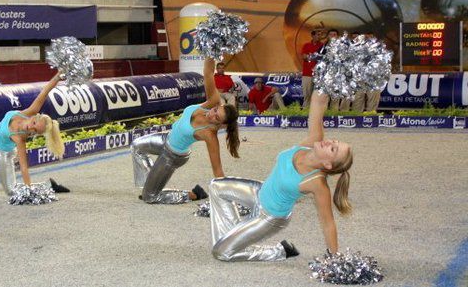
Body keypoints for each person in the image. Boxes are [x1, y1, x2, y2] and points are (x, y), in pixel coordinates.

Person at [209, 91, 353, 262]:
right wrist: (324, 85)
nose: (330, 142)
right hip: (258, 192)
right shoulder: (311, 142)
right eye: (334, 142)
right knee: (215, 186)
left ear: (328, 165)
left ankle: (279, 251)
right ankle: (234, 235)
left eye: (333, 149)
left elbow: (328, 223)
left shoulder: (316, 182)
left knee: (221, 253)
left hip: (269, 217)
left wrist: (335, 258)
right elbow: (318, 103)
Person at [131, 57, 240, 205]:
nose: (212, 114)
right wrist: (212, 51)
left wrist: (227, 196)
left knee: (150, 198)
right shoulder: (212, 101)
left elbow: (218, 170)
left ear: (222, 125)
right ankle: (151, 183)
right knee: (136, 146)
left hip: (173, 156)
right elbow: (208, 73)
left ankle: (193, 194)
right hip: (165, 139)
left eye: (217, 118)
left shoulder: (209, 135)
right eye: (216, 110)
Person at [0, 73, 65, 193]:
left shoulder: (20, 138)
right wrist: (58, 76)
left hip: (5, 152)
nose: (31, 129)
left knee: (11, 190)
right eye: (34, 124)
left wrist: (29, 189)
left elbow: (24, 168)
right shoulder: (29, 111)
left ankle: (48, 186)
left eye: (35, 131)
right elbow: (45, 92)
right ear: (33, 117)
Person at [301, 30, 323, 109]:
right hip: (307, 74)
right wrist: (316, 57)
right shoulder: (306, 45)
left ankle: (316, 110)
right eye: (318, 34)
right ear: (312, 36)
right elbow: (304, 56)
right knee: (307, 94)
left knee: (318, 94)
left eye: (320, 35)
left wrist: (310, 56)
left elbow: (323, 58)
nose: (319, 36)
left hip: (319, 75)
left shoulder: (323, 46)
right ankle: (306, 111)